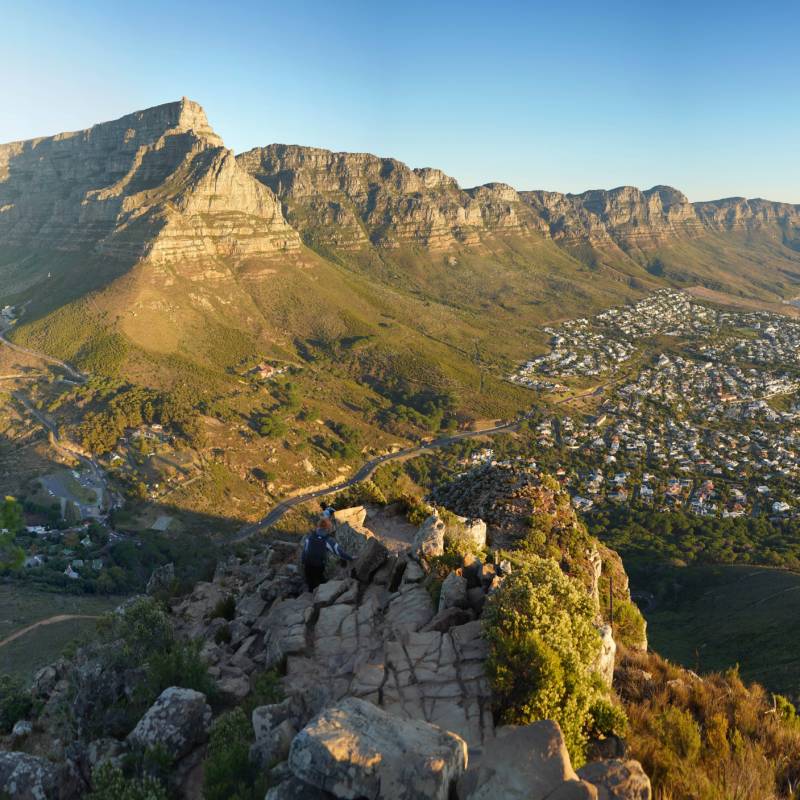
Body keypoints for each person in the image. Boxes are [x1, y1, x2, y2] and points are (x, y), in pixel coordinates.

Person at [301, 510, 354, 591]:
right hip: (318, 566)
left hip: (307, 565)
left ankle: (309, 594)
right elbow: (338, 551)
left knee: (310, 583)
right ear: (328, 528)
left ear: (318, 527)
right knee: (320, 582)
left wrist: (303, 562)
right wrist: (350, 558)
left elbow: (304, 552)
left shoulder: (310, 537)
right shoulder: (327, 540)